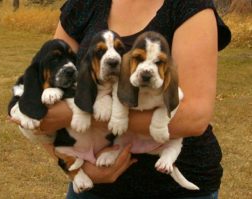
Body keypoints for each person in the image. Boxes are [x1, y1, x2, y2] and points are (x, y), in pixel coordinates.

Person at [34, 0, 231, 198]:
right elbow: (43, 89)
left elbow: (194, 117)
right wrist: (74, 169)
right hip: (92, 187)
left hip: (173, 188)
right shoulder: (84, 4)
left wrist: (76, 113)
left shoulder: (189, 5)